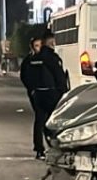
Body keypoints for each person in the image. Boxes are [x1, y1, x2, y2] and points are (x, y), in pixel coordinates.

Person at [24, 31, 67, 159]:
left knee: (39, 120)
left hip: (38, 93)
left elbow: (26, 76)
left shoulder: (32, 59)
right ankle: (54, 146)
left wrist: (32, 90)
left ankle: (39, 149)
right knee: (54, 120)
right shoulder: (52, 57)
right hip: (51, 92)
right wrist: (63, 92)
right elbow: (59, 77)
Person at [19, 37, 46, 157]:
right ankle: (39, 147)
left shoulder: (48, 59)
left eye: (40, 45)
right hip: (36, 93)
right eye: (36, 45)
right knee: (40, 118)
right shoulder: (28, 60)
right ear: (32, 47)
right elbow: (24, 76)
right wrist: (32, 89)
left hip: (49, 92)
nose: (39, 48)